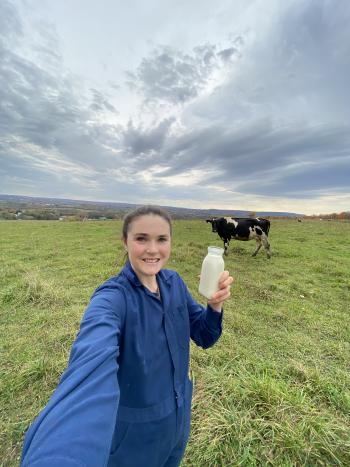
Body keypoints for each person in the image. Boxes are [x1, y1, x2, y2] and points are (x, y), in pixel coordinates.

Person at [21, 205, 233, 467]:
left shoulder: (174, 283)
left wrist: (214, 307)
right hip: (133, 443)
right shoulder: (112, 299)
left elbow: (205, 336)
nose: (152, 249)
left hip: (177, 426)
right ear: (126, 242)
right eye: (141, 238)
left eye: (161, 239)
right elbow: (88, 372)